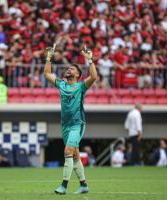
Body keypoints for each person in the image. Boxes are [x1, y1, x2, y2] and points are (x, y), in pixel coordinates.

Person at [44, 42, 98, 195]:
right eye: (68, 68)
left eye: (72, 69)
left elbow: (94, 76)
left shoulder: (81, 86)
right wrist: (49, 58)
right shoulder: (61, 85)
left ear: (77, 75)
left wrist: (90, 60)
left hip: (77, 124)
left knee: (68, 150)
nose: (68, 69)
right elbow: (47, 74)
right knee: (74, 155)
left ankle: (63, 186)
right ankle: (84, 185)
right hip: (65, 126)